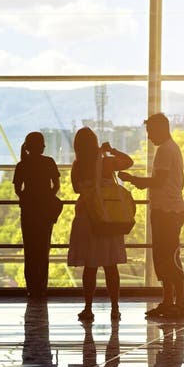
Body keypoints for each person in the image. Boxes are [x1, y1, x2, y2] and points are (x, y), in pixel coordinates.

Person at [120, 113, 184, 321]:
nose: (149, 137)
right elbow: (175, 182)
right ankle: (172, 302)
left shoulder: (165, 150)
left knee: (166, 257)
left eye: (150, 132)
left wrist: (133, 179)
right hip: (171, 209)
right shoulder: (171, 149)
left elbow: (159, 181)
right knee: (167, 257)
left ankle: (176, 302)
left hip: (166, 211)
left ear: (160, 129)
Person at [67, 126, 133, 322]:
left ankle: (88, 308)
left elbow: (76, 188)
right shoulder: (105, 162)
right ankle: (115, 308)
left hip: (87, 217)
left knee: (90, 266)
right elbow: (128, 162)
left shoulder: (77, 165)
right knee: (111, 265)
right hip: (108, 215)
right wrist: (110, 151)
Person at [12, 131, 60, 298]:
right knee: (43, 250)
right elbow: (56, 185)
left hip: (28, 212)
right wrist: (49, 197)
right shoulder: (49, 162)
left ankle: (31, 288)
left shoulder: (22, 165)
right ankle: (42, 287)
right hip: (45, 211)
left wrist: (26, 199)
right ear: (42, 146)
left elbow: (18, 188)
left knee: (30, 251)